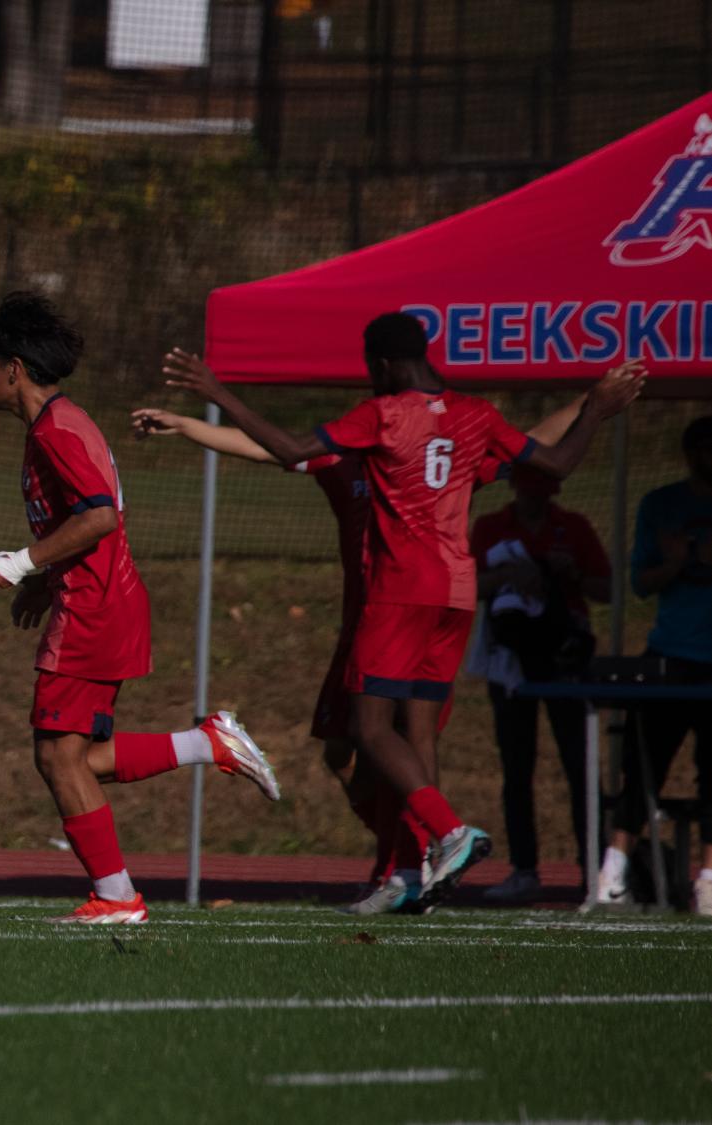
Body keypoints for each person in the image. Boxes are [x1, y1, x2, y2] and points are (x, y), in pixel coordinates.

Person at [165, 311, 642, 908]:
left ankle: (446, 834)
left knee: (368, 730)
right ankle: (416, 872)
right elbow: (555, 461)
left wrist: (214, 392)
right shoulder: (476, 416)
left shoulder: (383, 416)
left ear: (385, 364)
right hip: (458, 595)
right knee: (414, 735)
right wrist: (595, 406)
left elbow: (287, 447)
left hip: (398, 592)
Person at [0, 292, 281, 926]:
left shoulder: (57, 429)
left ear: (13, 367)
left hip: (95, 609)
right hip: (97, 602)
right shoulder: (55, 426)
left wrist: (21, 562)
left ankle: (117, 898)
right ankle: (206, 744)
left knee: (58, 758)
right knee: (76, 761)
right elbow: (83, 522)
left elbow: (100, 516)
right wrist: (42, 578)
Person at [469, 465, 610, 904]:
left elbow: (605, 588)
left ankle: (597, 871)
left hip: (562, 656)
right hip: (512, 656)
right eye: (528, 489)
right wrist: (511, 576)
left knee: (580, 765)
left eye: (543, 490)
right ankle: (525, 868)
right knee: (516, 765)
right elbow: (469, 582)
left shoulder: (573, 527)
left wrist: (564, 574)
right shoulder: (492, 527)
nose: (535, 498)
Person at [597, 415, 712, 915]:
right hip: (669, 655)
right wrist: (679, 560)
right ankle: (613, 873)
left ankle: (708, 880)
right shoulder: (662, 505)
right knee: (640, 766)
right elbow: (641, 581)